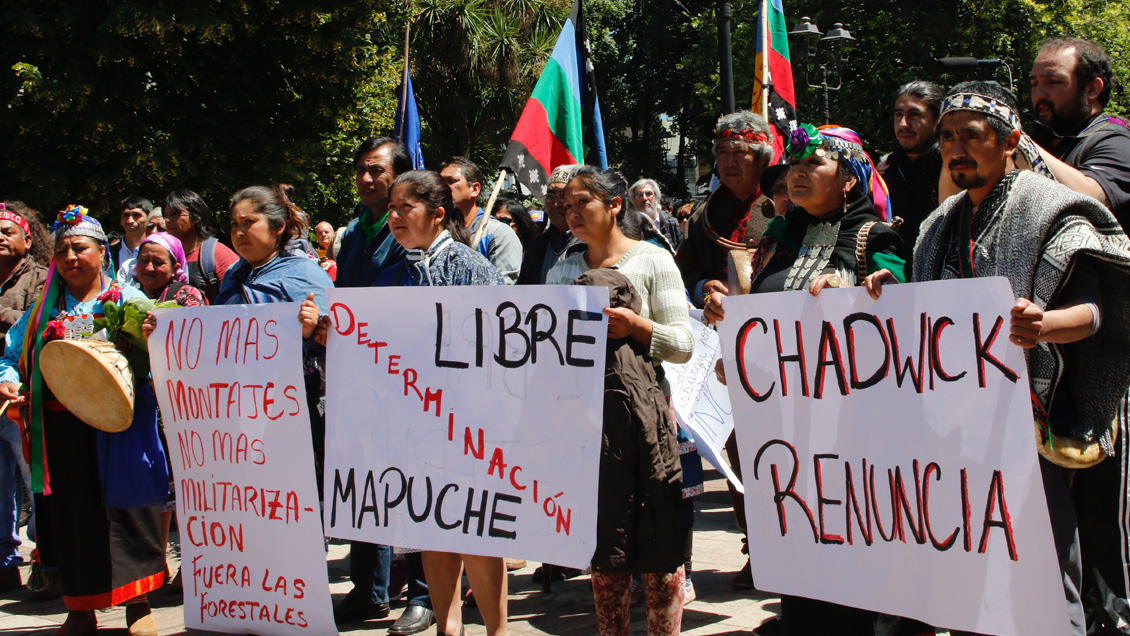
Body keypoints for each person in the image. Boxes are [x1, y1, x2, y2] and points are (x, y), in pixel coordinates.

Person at [864, 80, 1130, 636]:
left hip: (1028, 429)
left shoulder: (1053, 209)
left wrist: (1043, 325)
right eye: (948, 138)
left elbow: (1094, 312)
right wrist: (897, 288)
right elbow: (937, 315)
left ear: (1010, 140)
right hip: (952, 434)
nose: (956, 149)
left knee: (1041, 584)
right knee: (968, 582)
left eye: (971, 135)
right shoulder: (939, 223)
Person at [706, 124, 908, 636]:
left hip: (852, 430)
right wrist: (728, 318)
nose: (797, 173)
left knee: (855, 550)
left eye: (813, 164)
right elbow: (761, 316)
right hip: (784, 426)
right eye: (793, 165)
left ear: (848, 179)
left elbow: (903, 307)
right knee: (796, 536)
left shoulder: (874, 237)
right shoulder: (777, 240)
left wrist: (861, 291)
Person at [0, 206, 165, 636]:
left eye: (80, 248)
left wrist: (151, 338)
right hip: (62, 428)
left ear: (102, 253)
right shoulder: (42, 312)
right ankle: (81, 608)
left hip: (121, 424)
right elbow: (11, 355)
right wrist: (8, 380)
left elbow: (164, 352)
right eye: (62, 251)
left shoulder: (128, 301)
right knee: (73, 516)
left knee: (130, 510)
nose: (70, 257)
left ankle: (138, 603)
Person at [547, 167, 693, 636]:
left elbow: (683, 344)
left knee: (659, 539)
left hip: (646, 423)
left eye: (582, 203)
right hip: (588, 426)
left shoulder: (653, 261)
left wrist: (637, 327)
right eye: (566, 205)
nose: (571, 213)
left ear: (614, 206)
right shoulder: (561, 270)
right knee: (604, 545)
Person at [333, 137, 435, 635]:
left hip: (406, 374)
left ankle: (423, 593)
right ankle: (369, 589)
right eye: (361, 169)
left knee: (412, 482)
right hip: (360, 370)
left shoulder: (407, 232)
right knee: (364, 482)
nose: (367, 178)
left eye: (377, 170)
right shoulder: (355, 231)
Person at [675, 110, 774, 589]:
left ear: (762, 158)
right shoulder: (703, 216)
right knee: (737, 450)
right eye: (722, 153)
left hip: (782, 348)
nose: (729, 162)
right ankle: (759, 547)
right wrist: (703, 290)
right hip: (726, 353)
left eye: (740, 153)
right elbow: (686, 270)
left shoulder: (786, 202)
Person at [1029, 37, 1130, 230]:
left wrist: (1020, 143)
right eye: (1035, 84)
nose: (1039, 94)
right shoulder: (1050, 143)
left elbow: (1091, 202)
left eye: (1054, 82)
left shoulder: (1117, 141)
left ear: (1092, 89)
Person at [0, 202, 48, 592]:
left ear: (27, 240)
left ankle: (46, 559)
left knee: (36, 480)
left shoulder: (43, 280)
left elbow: (34, 331)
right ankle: (4, 563)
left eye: (7, 231)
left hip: (21, 395)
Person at [878, 81, 944, 244]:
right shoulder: (885, 171)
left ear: (937, 121)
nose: (903, 124)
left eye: (914, 114)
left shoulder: (951, 169)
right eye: (899, 114)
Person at [439, 157, 523, 284]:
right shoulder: (435, 233)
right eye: (440, 183)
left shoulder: (497, 233)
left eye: (451, 181)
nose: (443, 188)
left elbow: (504, 287)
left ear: (475, 189)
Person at [162, 191, 238, 302]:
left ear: (196, 218)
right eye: (165, 215)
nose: (167, 220)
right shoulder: (165, 255)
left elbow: (236, 300)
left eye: (175, 214)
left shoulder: (217, 254)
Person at [517, 164, 582, 285]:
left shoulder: (593, 246)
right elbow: (522, 290)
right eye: (550, 195)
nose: (556, 204)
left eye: (563, 195)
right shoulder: (535, 247)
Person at [629, 179, 683, 251]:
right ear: (633, 199)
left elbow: (680, 252)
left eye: (648, 193)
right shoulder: (628, 225)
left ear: (657, 197)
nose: (644, 198)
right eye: (639, 194)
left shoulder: (671, 223)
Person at [110, 196, 152, 272]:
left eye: (136, 215)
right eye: (126, 215)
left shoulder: (156, 251)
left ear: (149, 219)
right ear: (120, 220)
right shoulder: (109, 253)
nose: (130, 221)